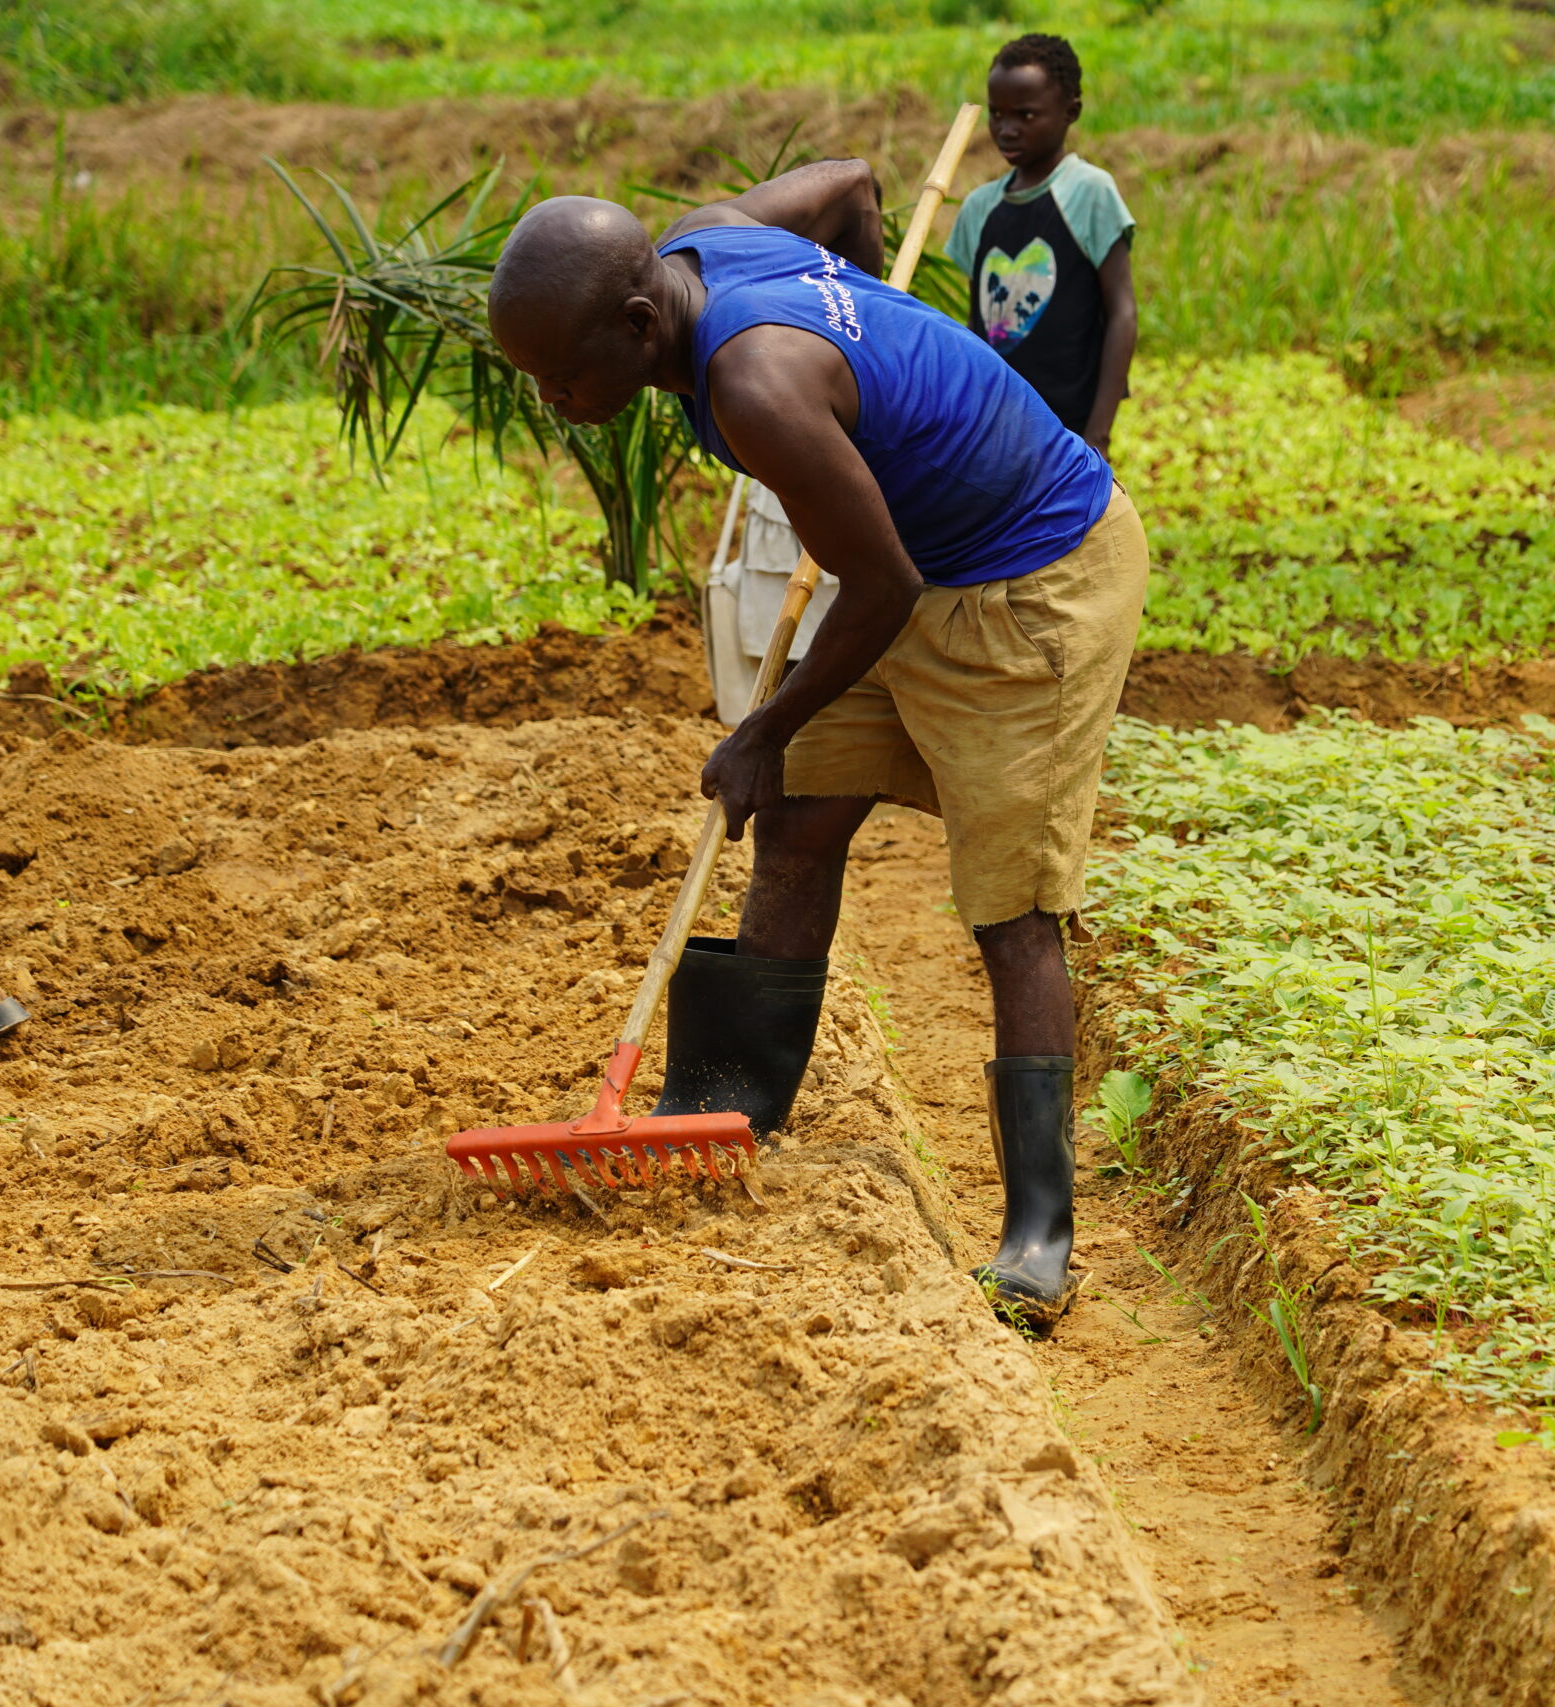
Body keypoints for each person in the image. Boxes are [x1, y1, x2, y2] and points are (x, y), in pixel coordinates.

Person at [484, 161, 1149, 1332]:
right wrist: (860, 304)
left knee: (1010, 908)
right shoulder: (707, 241)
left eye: (559, 375)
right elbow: (849, 180)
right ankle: (731, 1111)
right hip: (913, 566)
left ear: (640, 327)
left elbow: (877, 580)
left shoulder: (756, 383)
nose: (552, 402)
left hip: (1028, 580)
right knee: (797, 812)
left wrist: (761, 724)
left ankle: (1040, 1234)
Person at [944, 33, 1138, 454]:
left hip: (1069, 428)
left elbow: (1122, 311)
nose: (1006, 129)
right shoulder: (980, 207)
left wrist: (1098, 435)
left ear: (1071, 112)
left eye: (1026, 115)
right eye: (996, 114)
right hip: (994, 424)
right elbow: (979, 324)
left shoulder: (1089, 192)